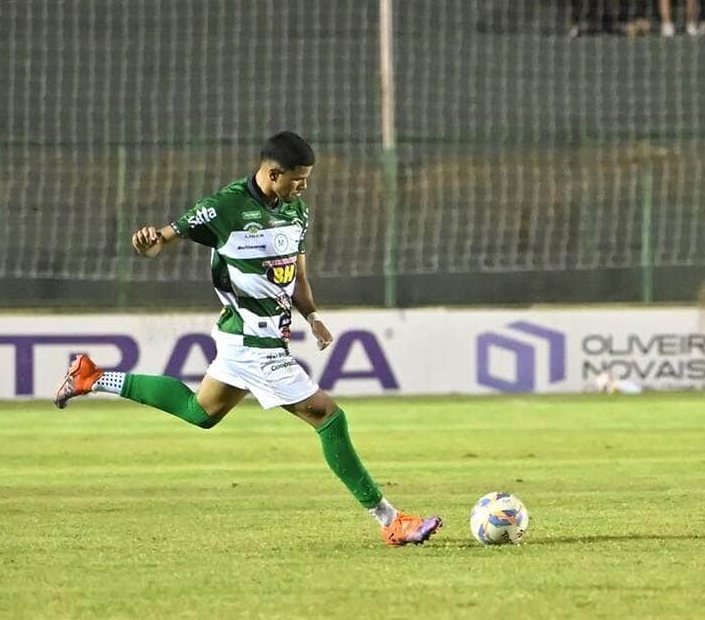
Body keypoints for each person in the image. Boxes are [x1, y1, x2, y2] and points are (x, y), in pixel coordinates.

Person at [53, 131, 442, 547]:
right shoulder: (224, 206)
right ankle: (390, 519)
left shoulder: (297, 212)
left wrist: (311, 315)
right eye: (297, 179)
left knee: (200, 412)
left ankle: (92, 377)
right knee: (329, 418)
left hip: (249, 339)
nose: (303, 187)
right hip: (253, 344)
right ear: (273, 173)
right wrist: (147, 243)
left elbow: (296, 271)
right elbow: (161, 242)